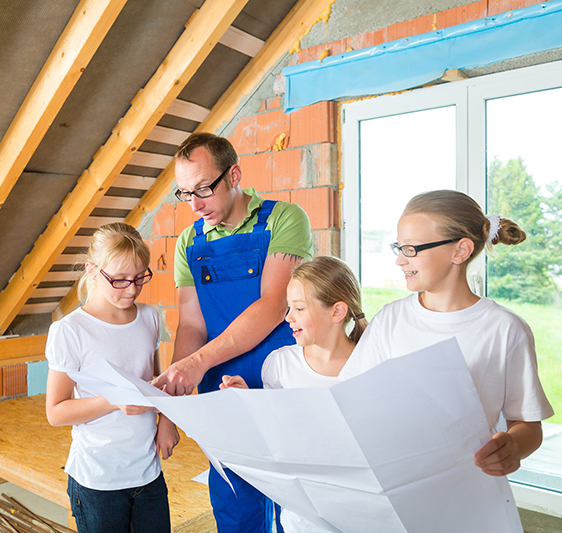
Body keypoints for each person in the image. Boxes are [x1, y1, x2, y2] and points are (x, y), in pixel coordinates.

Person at [152, 132, 314, 532]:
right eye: (185, 193)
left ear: (235, 175)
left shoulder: (284, 219)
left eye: (204, 188)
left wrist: (197, 362)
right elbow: (191, 324)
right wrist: (170, 410)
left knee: (292, 507)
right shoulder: (190, 241)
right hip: (219, 393)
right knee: (234, 504)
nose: (194, 204)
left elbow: (273, 305)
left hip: (277, 384)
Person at [345, 190, 554, 477]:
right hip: (396, 480)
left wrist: (512, 448)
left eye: (412, 249)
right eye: (399, 247)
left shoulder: (505, 329)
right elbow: (352, 397)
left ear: (460, 251)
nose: (400, 260)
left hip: (466, 489)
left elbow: (529, 425)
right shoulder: (389, 320)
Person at [44, 222, 178, 533]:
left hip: (147, 472)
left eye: (139, 278)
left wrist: (167, 421)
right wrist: (114, 402)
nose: (131, 289)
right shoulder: (70, 330)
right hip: (97, 479)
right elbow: (56, 411)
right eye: (119, 280)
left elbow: (155, 380)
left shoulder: (149, 317)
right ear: (92, 270)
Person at [220, 255, 368, 532]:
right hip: (302, 520)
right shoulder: (280, 364)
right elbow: (273, 432)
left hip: (361, 516)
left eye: (299, 308)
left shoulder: (371, 364)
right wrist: (248, 400)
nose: (288, 317)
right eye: (289, 307)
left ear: (337, 312)